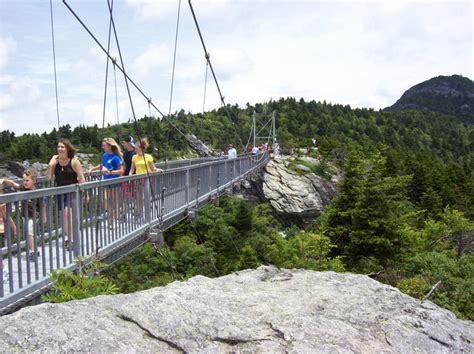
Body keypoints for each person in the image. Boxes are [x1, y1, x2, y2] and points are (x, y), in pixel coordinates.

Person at [46, 139, 85, 249]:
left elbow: (81, 178)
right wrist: (50, 164)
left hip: (72, 192)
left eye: (62, 147)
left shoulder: (74, 161)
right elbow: (48, 178)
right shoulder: (55, 163)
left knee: (68, 214)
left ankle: (72, 239)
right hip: (60, 192)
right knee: (64, 217)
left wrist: (85, 193)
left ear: (67, 148)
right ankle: (69, 238)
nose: (60, 149)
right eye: (58, 147)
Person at [2, 170, 46, 261]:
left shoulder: (36, 192)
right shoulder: (23, 188)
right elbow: (15, 185)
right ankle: (34, 250)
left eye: (27, 180)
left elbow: (42, 205)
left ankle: (32, 252)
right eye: (24, 180)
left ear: (33, 181)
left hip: (34, 215)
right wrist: (5, 181)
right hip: (25, 215)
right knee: (29, 233)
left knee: (29, 232)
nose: (25, 182)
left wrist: (44, 216)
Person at [89, 138, 124, 225]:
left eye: (104, 145)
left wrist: (110, 172)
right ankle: (112, 215)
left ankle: (114, 220)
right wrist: (93, 169)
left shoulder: (116, 157)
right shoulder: (104, 155)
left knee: (113, 201)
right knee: (103, 199)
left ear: (109, 146)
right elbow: (102, 165)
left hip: (114, 181)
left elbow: (121, 171)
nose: (103, 147)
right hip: (106, 181)